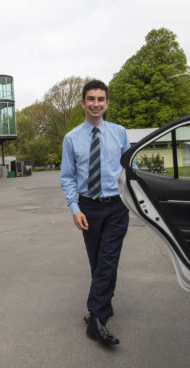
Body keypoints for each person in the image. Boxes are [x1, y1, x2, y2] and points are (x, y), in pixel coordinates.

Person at [60, 79, 131, 346]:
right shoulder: (71, 139)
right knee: (97, 262)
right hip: (88, 207)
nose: (96, 104)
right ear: (82, 103)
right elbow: (67, 177)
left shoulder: (120, 133)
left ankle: (95, 318)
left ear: (107, 103)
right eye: (91, 99)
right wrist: (74, 209)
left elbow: (128, 172)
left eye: (101, 99)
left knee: (108, 259)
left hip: (115, 206)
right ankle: (103, 307)